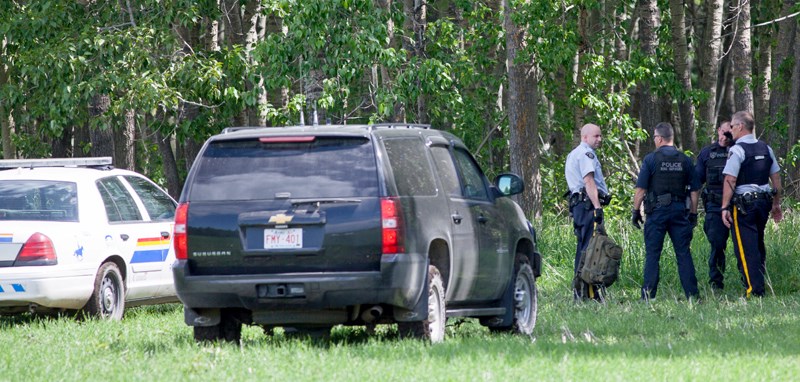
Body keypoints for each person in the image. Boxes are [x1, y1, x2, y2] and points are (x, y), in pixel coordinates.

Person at [631, 122, 700, 301]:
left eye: (654, 137)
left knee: (653, 254)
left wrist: (636, 211)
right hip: (679, 211)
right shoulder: (684, 159)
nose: (654, 140)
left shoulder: (651, 160)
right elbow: (694, 190)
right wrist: (693, 213)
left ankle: (648, 297)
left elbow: (641, 189)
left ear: (659, 138)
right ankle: (692, 296)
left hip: (657, 212)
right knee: (683, 253)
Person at [720, 111, 782, 298]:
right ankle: (759, 284)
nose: (730, 130)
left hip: (744, 206)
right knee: (757, 244)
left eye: (731, 126)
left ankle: (753, 291)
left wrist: (724, 207)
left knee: (746, 249)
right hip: (764, 202)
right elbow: (776, 179)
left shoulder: (737, 150)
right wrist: (776, 204)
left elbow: (730, 179)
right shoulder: (766, 148)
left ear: (740, 127)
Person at [565, 123, 611, 300]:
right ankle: (588, 293)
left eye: (600, 136)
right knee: (591, 249)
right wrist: (597, 207)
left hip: (579, 206)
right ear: (585, 137)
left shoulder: (573, 154)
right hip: (587, 206)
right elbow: (589, 181)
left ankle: (581, 291)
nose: (600, 139)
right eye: (596, 136)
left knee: (583, 247)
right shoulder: (585, 154)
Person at [695, 121, 733, 290]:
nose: (725, 137)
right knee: (717, 244)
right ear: (718, 131)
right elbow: (697, 180)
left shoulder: (738, 151)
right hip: (715, 206)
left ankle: (750, 280)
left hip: (737, 206)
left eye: (729, 134)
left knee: (745, 246)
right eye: (724, 133)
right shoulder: (707, 153)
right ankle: (716, 283)